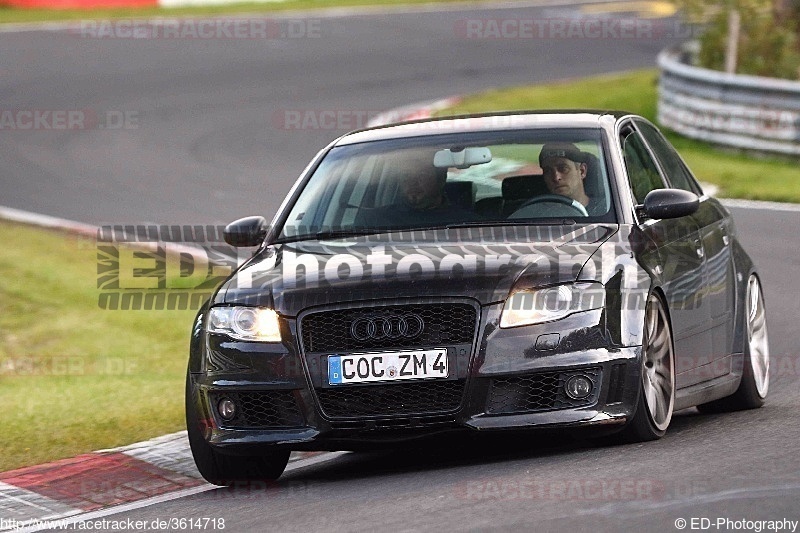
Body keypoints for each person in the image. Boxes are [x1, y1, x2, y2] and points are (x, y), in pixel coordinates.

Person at [537, 142, 605, 216]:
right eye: (548, 171)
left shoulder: (604, 211)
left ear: (582, 171)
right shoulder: (539, 215)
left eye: (563, 168)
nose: (556, 177)